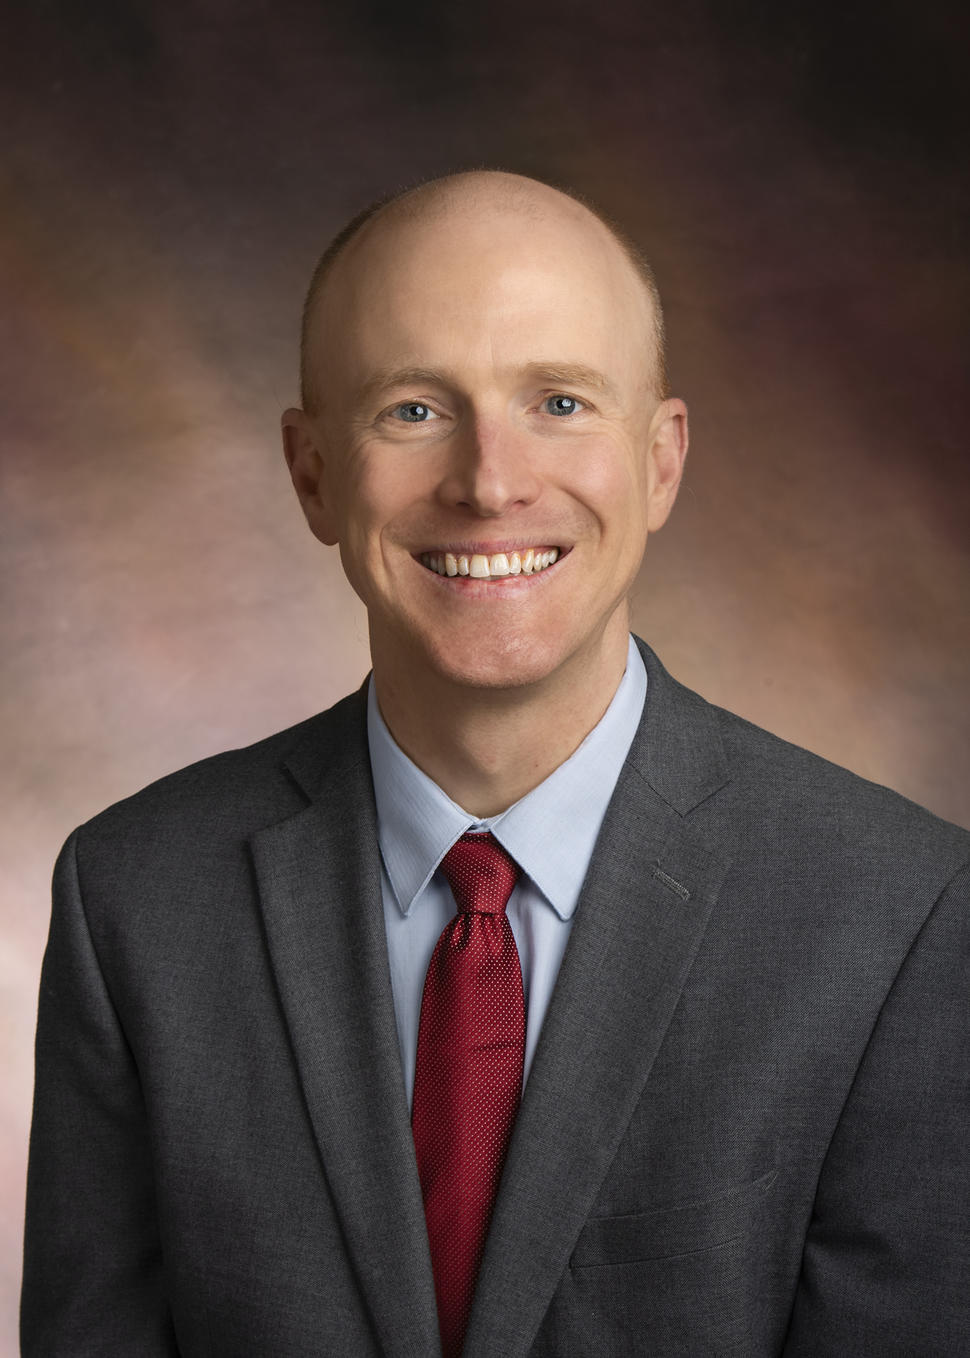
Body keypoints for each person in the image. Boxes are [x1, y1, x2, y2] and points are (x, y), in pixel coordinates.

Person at [22, 170, 969, 1358]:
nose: (491, 481)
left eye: (560, 401)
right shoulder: (135, 899)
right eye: (413, 409)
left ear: (661, 460)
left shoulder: (899, 916)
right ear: (312, 470)